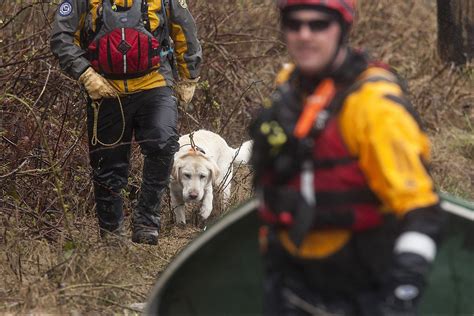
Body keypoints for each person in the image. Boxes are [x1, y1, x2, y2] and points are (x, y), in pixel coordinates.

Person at [249, 0, 445, 314]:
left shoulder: (374, 107)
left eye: (318, 25)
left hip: (360, 292)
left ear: (343, 28)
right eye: (294, 24)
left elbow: (422, 212)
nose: (304, 35)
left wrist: (403, 292)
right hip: (290, 286)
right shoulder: (288, 90)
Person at [50, 0, 202, 244]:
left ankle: (147, 221)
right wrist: (85, 74)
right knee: (106, 162)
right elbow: (61, 36)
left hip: (154, 83)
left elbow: (184, 29)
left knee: (163, 144)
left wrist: (189, 75)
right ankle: (112, 234)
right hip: (105, 88)